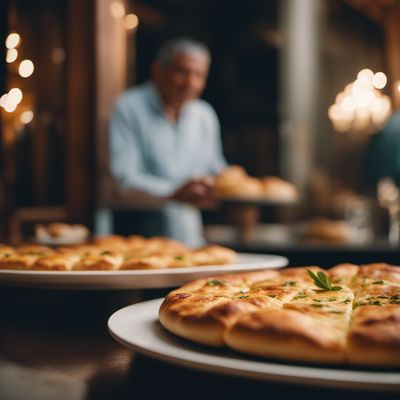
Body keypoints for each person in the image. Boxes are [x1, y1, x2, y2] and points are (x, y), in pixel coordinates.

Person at [109, 38, 227, 246]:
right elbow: (123, 181)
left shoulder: (204, 115)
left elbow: (216, 169)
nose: (191, 83)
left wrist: (227, 187)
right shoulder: (129, 108)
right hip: (138, 240)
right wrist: (174, 193)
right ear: (158, 71)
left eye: (199, 75)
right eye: (182, 72)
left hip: (190, 238)